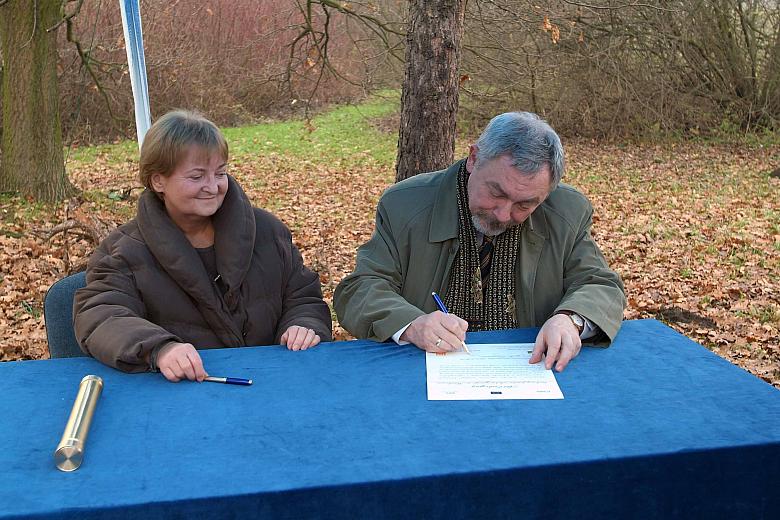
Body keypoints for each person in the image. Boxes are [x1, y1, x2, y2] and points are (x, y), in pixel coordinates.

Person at [334, 112, 625, 372]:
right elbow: (361, 288)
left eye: (525, 204)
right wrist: (412, 324)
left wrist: (570, 319)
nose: (503, 214)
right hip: (423, 369)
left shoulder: (566, 212)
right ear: (474, 158)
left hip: (530, 369)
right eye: (496, 192)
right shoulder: (405, 205)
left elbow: (599, 284)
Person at [74, 110, 332, 382]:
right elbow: (100, 314)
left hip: (276, 382)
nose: (212, 186)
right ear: (158, 180)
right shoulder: (122, 252)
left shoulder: (268, 231)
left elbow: (303, 296)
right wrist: (160, 348)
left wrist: (303, 324)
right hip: (183, 395)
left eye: (219, 173)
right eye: (197, 177)